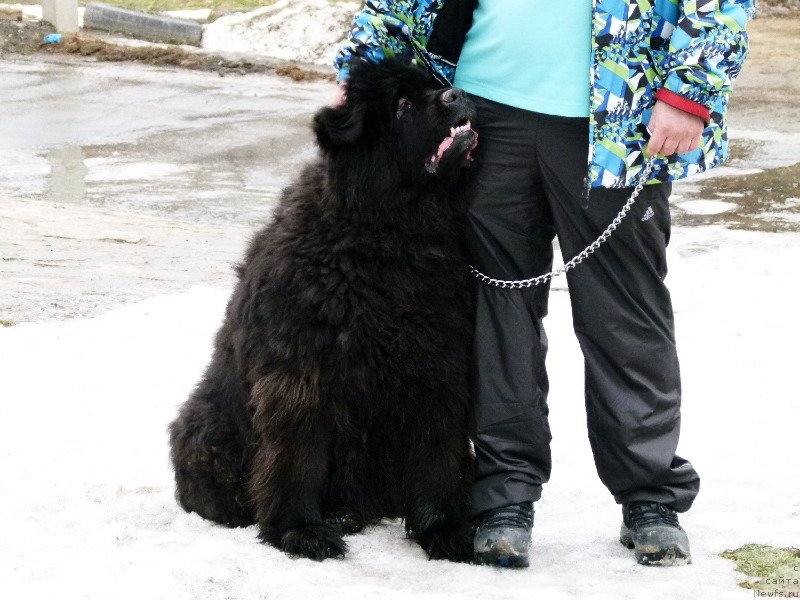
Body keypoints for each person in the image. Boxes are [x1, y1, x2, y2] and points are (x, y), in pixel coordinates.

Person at [333, 0, 754, 568]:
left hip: (620, 117)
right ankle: (504, 495)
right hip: (484, 115)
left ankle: (650, 497)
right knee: (495, 311)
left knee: (624, 314)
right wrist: (363, 65)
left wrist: (690, 90)